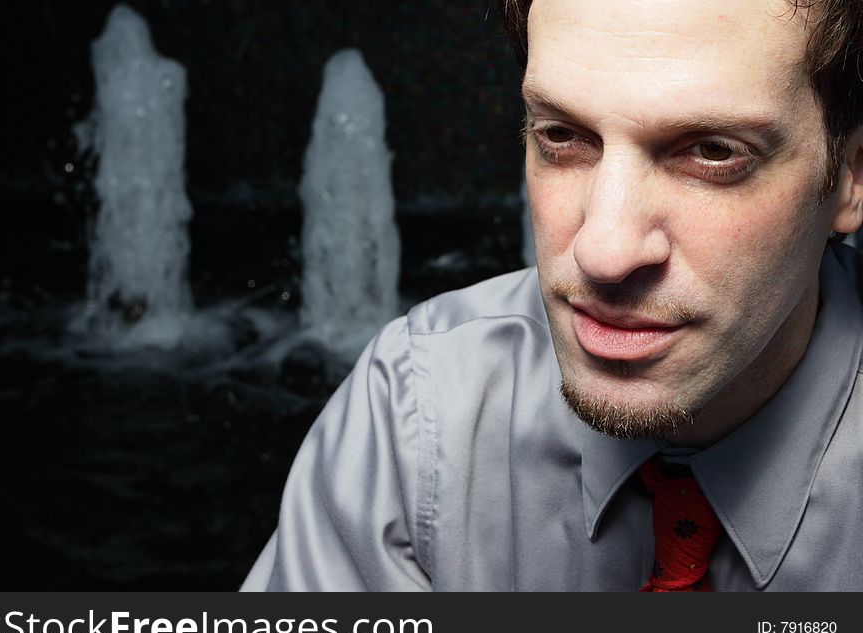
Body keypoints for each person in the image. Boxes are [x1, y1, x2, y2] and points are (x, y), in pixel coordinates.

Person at [243, 0, 863, 591]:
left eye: (714, 152)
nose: (604, 251)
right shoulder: (419, 410)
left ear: (851, 177)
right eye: (563, 137)